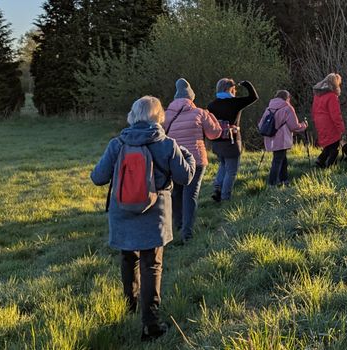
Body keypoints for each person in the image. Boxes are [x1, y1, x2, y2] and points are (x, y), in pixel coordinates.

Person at [90, 96, 196, 341]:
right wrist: (188, 156)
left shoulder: (117, 144)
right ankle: (151, 324)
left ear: (133, 116)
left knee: (128, 258)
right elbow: (185, 177)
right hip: (154, 216)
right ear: (158, 116)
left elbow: (98, 177)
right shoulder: (167, 144)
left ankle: (130, 305)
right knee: (151, 265)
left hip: (122, 212)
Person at [164, 78, 222, 243]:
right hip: (196, 160)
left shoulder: (166, 114)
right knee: (191, 195)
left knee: (176, 193)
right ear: (191, 97)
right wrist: (211, 117)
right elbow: (214, 134)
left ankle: (178, 226)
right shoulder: (200, 113)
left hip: (174, 159)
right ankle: (187, 234)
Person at [207, 78, 259, 202]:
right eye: (234, 89)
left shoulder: (211, 105)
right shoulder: (235, 103)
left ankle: (217, 189)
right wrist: (246, 84)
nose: (235, 91)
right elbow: (254, 97)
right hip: (231, 141)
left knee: (223, 165)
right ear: (229, 89)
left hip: (217, 140)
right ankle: (225, 197)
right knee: (231, 170)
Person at [260, 90, 308, 186]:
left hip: (270, 138)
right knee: (277, 160)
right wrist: (304, 125)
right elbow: (294, 126)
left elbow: (261, 124)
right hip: (282, 139)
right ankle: (272, 183)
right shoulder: (287, 108)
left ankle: (284, 180)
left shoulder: (269, 108)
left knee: (282, 158)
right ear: (287, 98)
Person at [312, 73, 345, 168]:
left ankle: (320, 161)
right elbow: (335, 114)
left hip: (319, 122)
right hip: (329, 123)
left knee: (328, 144)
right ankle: (329, 165)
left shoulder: (317, 95)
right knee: (335, 144)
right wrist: (341, 127)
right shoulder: (332, 96)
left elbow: (313, 110)